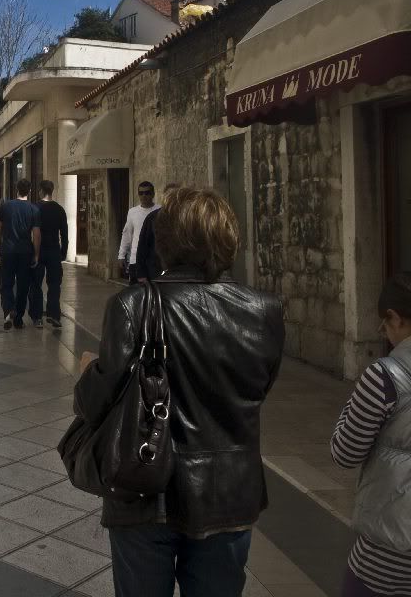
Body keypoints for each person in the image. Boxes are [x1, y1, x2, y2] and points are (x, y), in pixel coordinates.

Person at [74, 187, 284, 597]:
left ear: (164, 242)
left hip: (145, 487)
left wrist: (88, 372)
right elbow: (258, 388)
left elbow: (95, 403)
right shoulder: (265, 310)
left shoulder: (132, 305)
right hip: (229, 493)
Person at [331, 273, 411, 597]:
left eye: (384, 324)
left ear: (395, 318)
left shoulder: (383, 376)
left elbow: (345, 452)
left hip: (388, 553)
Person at [0, 178, 40, 330]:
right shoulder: (33, 209)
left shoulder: (6, 206)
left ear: (16, 189)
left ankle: (8, 310)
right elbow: (36, 234)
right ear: (29, 191)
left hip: (7, 250)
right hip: (25, 252)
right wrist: (36, 254)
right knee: (23, 286)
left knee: (6, 283)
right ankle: (18, 319)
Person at [28, 180, 68, 329]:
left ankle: (37, 317)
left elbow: (30, 230)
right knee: (54, 284)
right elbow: (64, 234)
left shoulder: (34, 208)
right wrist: (63, 252)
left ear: (40, 191)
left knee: (36, 284)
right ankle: (54, 314)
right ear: (52, 191)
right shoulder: (59, 209)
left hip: (37, 250)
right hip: (54, 251)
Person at [135, 183, 181, 282]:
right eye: (169, 196)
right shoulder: (152, 218)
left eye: (175, 196)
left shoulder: (186, 218)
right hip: (155, 271)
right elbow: (142, 246)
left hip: (178, 271)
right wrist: (141, 273)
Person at [118, 181, 159, 284]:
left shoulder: (160, 211)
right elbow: (127, 234)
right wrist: (121, 255)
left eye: (147, 193)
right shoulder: (132, 212)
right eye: (141, 193)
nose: (144, 196)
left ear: (153, 194)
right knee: (135, 290)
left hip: (155, 260)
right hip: (135, 259)